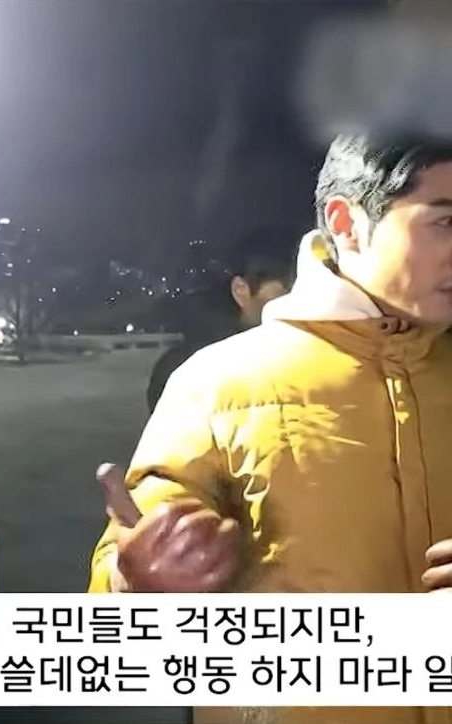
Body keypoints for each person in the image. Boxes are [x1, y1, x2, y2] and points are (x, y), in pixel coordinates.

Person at [89, 131, 452, 724]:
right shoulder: (216, 383)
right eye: (445, 221)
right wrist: (138, 583)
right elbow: (118, 590)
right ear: (348, 223)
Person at [146, 228, 293, 412]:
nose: (303, 300)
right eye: (287, 289)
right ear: (241, 290)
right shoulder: (187, 373)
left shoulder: (313, 356)